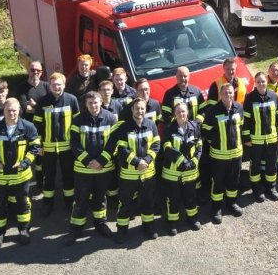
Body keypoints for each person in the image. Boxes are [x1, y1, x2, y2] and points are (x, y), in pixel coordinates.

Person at [0, 98, 40, 250]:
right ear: (4, 111)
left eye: (15, 110)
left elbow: (35, 147)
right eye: (9, 110)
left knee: (23, 204)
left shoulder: (28, 127)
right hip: (1, 177)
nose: (12, 113)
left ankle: (24, 230)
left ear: (19, 111)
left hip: (21, 175)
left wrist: (25, 163)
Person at [64, 91, 119, 246]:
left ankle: (100, 223)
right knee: (81, 199)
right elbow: (74, 144)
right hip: (83, 169)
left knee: (101, 197)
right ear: (86, 105)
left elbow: (113, 142)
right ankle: (76, 228)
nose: (93, 106)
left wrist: (101, 161)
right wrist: (89, 162)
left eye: (96, 102)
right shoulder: (77, 120)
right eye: (90, 103)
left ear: (101, 102)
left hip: (104, 168)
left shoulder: (110, 118)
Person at [108, 98, 160, 243]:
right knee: (125, 203)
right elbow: (122, 149)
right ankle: (122, 229)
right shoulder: (124, 127)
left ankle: (148, 226)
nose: (140, 111)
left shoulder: (151, 125)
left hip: (148, 173)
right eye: (137, 108)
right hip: (128, 174)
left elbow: (156, 145)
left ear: (145, 109)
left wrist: (147, 160)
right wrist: (137, 162)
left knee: (148, 201)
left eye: (142, 108)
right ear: (132, 109)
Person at [32, 72, 80, 216]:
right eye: (53, 84)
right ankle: (47, 203)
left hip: (67, 147)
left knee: (68, 175)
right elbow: (37, 125)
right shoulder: (43, 102)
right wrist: (38, 145)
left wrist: (76, 144)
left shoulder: (72, 100)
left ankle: (69, 201)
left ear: (64, 85)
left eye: (59, 84)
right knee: (49, 176)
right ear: (50, 86)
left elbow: (77, 124)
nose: (56, 87)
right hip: (48, 148)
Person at [201, 83, 245, 223]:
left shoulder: (239, 107)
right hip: (219, 156)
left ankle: (231, 203)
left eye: (231, 92)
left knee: (234, 181)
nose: (228, 95)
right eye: (226, 93)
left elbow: (241, 127)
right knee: (218, 183)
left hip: (236, 154)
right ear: (221, 94)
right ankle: (216, 208)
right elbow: (205, 132)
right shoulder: (212, 111)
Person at [160, 103, 204, 235]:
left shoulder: (194, 126)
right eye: (178, 112)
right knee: (173, 198)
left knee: (190, 196)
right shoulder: (169, 129)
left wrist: (194, 161)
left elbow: (199, 145)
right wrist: (182, 161)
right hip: (173, 172)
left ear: (187, 113)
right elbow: (167, 147)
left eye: (183, 111)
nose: (181, 114)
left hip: (190, 171)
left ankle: (192, 218)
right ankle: (172, 222)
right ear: (174, 114)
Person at [243, 72, 278, 202]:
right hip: (255, 141)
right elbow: (246, 120)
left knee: (271, 165)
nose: (261, 84)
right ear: (255, 83)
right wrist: (246, 138)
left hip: (272, 139)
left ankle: (271, 188)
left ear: (266, 82)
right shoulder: (250, 98)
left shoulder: (273, 96)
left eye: (263, 81)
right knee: (255, 166)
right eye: (258, 82)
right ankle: (256, 189)